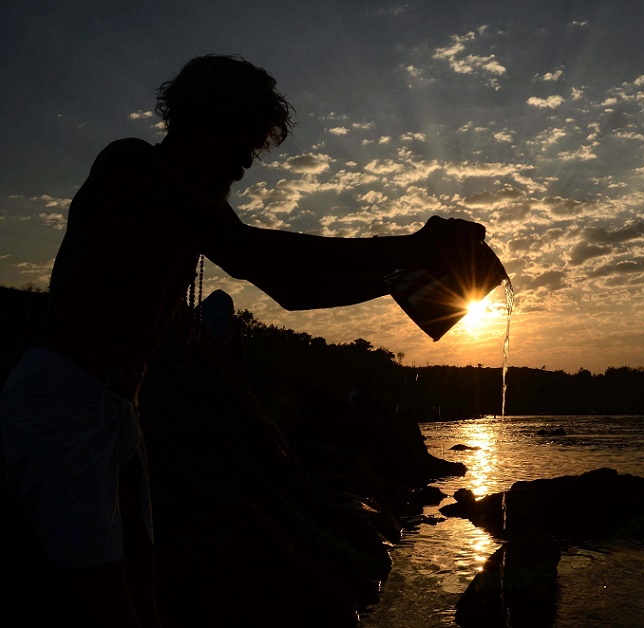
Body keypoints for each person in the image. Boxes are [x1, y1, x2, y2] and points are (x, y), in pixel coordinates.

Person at [0, 54, 487, 626]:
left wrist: (404, 276)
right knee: (104, 603)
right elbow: (257, 257)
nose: (246, 163)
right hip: (65, 399)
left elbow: (292, 289)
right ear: (204, 122)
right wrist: (411, 247)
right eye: (242, 143)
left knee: (143, 587)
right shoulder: (133, 166)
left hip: (117, 409)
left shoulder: (196, 199)